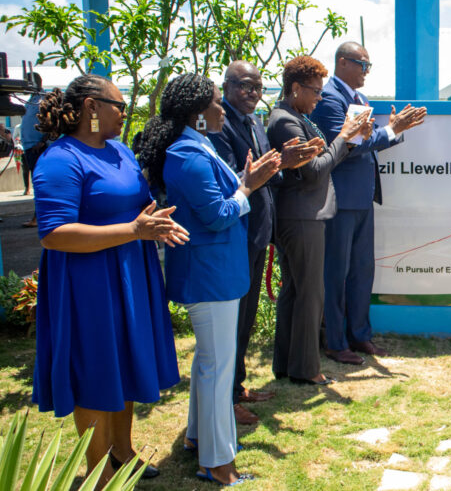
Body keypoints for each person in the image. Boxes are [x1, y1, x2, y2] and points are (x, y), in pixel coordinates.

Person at [30, 74, 186, 484]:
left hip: (130, 274)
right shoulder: (61, 159)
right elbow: (54, 234)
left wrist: (152, 222)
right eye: (118, 106)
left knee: (126, 366)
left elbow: (134, 206)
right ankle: (99, 471)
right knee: (97, 370)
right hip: (88, 283)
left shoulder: (120, 151)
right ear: (91, 108)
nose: (124, 114)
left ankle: (124, 451)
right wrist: (133, 231)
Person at [137, 74, 280, 486]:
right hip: (209, 275)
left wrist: (248, 179)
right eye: (217, 102)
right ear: (199, 114)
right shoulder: (188, 154)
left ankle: (197, 437)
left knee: (208, 361)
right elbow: (217, 214)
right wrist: (247, 189)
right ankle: (217, 463)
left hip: (215, 271)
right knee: (218, 368)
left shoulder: (197, 146)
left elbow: (216, 194)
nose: (222, 109)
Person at [209, 61, 319, 425]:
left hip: (257, 234)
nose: (252, 93)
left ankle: (237, 387)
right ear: (225, 86)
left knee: (246, 318)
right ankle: (224, 398)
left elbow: (268, 178)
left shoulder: (254, 122)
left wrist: (285, 166)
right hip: (234, 234)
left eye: (257, 86)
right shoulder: (218, 126)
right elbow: (230, 181)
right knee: (233, 322)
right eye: (244, 85)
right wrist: (277, 165)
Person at [310, 42, 427, 365]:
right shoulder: (330, 98)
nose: (366, 72)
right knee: (336, 273)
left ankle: (360, 335)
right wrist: (392, 129)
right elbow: (347, 144)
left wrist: (394, 131)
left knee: (362, 271)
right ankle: (335, 341)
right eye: (363, 65)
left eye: (368, 66)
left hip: (362, 197)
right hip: (339, 200)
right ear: (343, 63)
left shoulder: (359, 99)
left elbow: (369, 143)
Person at [267, 56, 371, 384]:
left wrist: (339, 142)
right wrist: (343, 137)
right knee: (310, 294)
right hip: (301, 215)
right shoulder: (286, 121)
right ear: (295, 88)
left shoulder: (296, 116)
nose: (318, 98)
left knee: (296, 293)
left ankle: (288, 364)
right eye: (314, 91)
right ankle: (307, 368)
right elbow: (312, 173)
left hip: (303, 214)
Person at [20, 78, 48, 227]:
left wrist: (43, 141)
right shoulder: (32, 100)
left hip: (38, 148)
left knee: (40, 184)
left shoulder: (42, 100)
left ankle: (38, 218)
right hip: (29, 147)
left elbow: (51, 120)